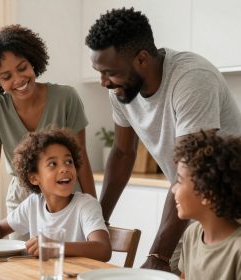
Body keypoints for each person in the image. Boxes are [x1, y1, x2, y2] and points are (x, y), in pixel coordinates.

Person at [85, 7, 241, 272]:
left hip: (230, 203)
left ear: (142, 59)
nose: (103, 82)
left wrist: (158, 255)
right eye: (99, 72)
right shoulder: (121, 88)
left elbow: (190, 168)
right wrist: (97, 225)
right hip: (193, 200)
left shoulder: (192, 80)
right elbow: (123, 153)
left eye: (109, 72)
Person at [0, 24, 96, 240]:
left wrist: (94, 208)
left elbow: (81, 158)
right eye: (6, 76)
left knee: (68, 264)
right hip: (22, 200)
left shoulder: (66, 98)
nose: (19, 80)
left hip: (66, 195)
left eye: (22, 68)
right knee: (20, 266)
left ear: (33, 61)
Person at [0, 129, 111, 261]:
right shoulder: (33, 204)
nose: (64, 168)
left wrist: (55, 246)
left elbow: (103, 249)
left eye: (69, 161)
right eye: (53, 164)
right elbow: (0, 228)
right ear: (34, 178)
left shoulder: (86, 205)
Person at [172, 131, 241, 280]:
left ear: (207, 193)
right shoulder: (191, 234)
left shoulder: (238, 250)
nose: (173, 189)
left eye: (179, 181)